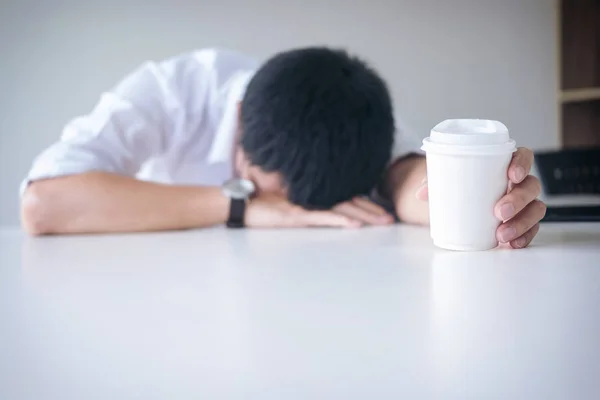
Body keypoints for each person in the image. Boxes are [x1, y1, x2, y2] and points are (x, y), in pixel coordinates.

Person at [20, 47, 546, 248]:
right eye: (268, 187)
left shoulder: (349, 115)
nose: (284, 204)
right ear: (241, 124)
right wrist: (243, 208)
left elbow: (411, 181)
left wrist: (484, 198)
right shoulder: (173, 91)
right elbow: (43, 205)